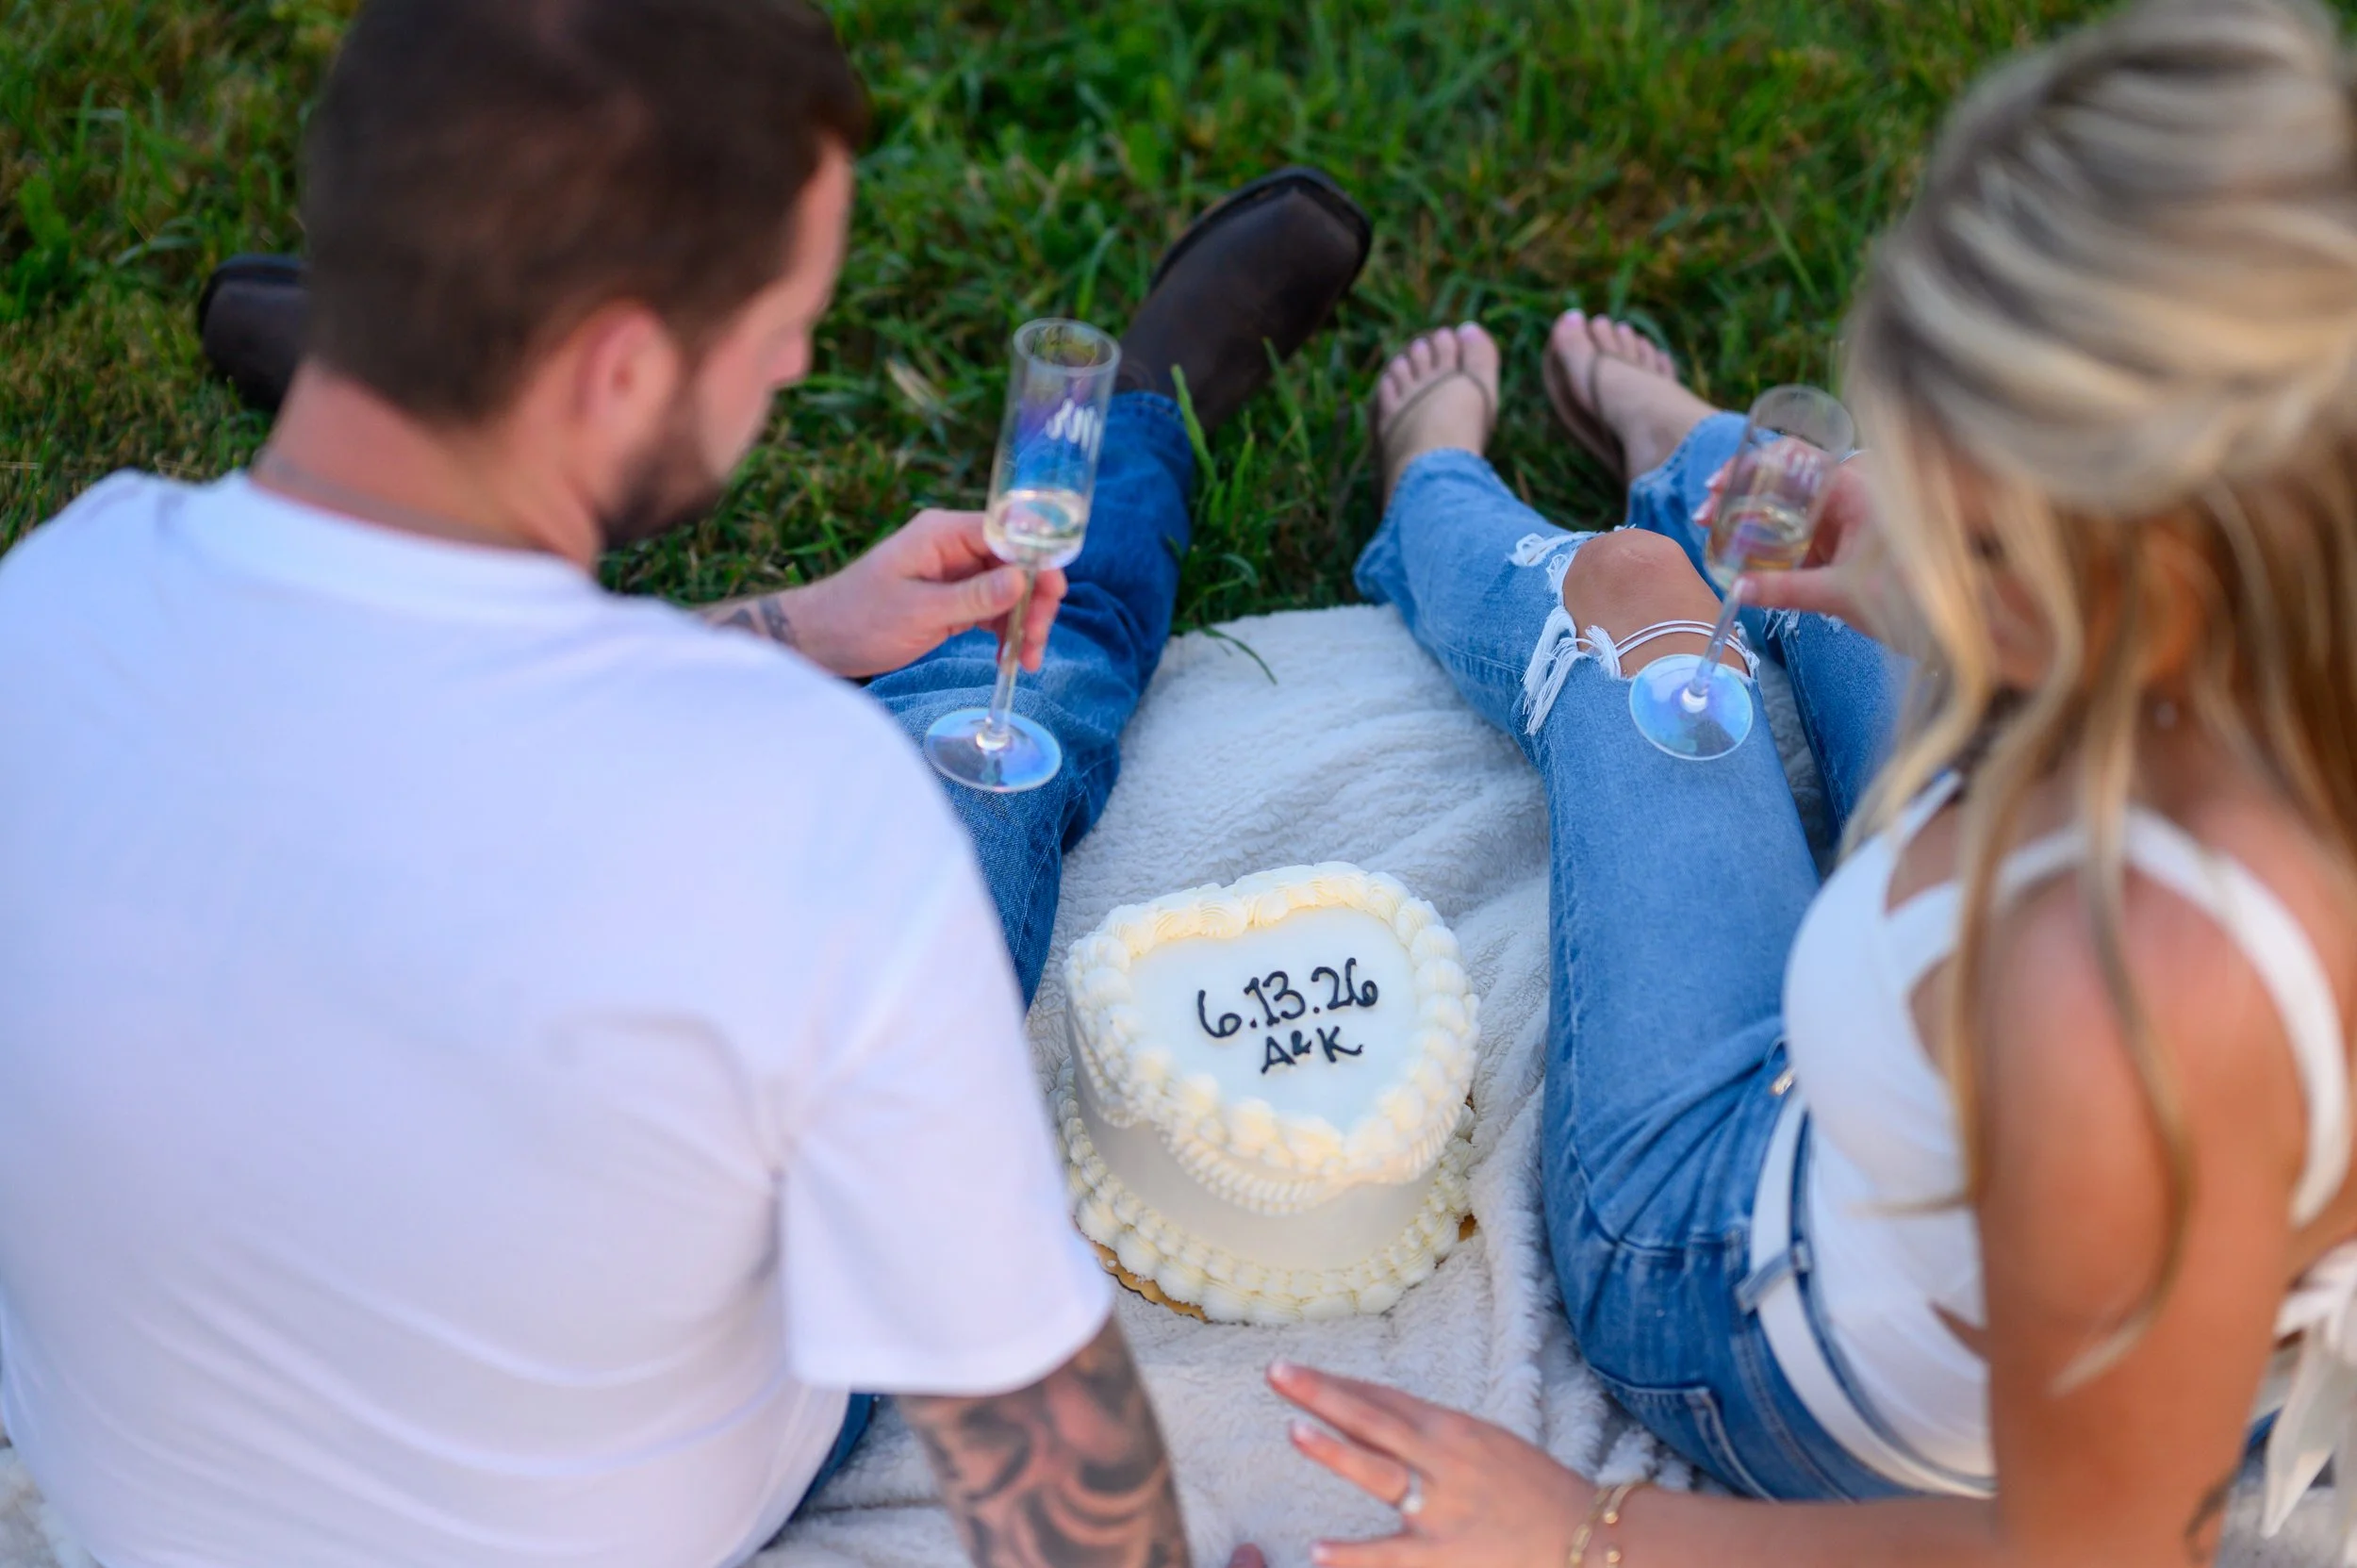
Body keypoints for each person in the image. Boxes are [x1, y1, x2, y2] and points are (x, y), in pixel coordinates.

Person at [0, 0, 1365, 1563]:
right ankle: (1136, 431)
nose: (793, 360)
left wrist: (795, 625)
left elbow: (412, 736)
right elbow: (1056, 1495)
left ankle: (405, 369)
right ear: (626, 364)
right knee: (1020, 711)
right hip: (690, 1474)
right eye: (781, 320)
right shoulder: (803, 820)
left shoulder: (48, 601)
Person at [1260, 0, 2357, 1563]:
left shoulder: (2134, 1004)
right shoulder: (2278, 662)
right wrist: (1912, 556)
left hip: (1735, 1271)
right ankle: (1691, 442)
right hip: (1953, 1136)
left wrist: (1588, 1525)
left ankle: (1437, 481)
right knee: (1786, 505)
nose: (1914, 525)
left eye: (1977, 530)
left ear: (2153, 582)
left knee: (1647, 595)